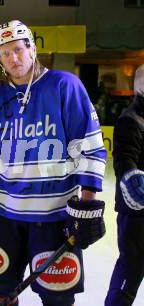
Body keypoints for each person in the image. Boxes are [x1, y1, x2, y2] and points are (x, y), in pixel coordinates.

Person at [0, 20, 107, 306]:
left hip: (54, 219)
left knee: (57, 298)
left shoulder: (64, 85)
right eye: (5, 53)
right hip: (4, 217)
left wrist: (88, 203)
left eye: (19, 49)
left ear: (32, 48)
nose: (14, 58)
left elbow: (91, 147)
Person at [105, 64, 144, 306]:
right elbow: (124, 159)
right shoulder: (132, 119)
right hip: (137, 213)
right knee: (131, 268)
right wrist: (133, 181)